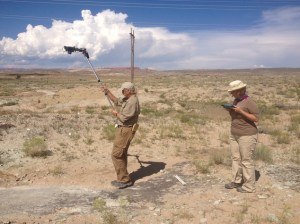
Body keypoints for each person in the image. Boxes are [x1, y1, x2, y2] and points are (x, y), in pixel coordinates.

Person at [101, 82, 140, 189]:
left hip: (125, 130)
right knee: (121, 154)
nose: (122, 92)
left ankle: (124, 180)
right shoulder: (128, 99)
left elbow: (123, 118)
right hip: (124, 129)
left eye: (123, 90)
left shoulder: (132, 102)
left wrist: (116, 113)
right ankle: (124, 178)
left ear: (128, 90)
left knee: (116, 155)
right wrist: (107, 92)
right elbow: (117, 101)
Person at [224, 80, 259, 193]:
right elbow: (235, 117)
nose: (231, 94)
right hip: (234, 134)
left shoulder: (249, 101)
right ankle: (236, 180)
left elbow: (255, 118)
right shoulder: (236, 100)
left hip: (247, 135)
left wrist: (240, 111)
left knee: (246, 160)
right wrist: (230, 110)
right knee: (235, 158)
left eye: (233, 92)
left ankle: (249, 186)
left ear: (239, 91)